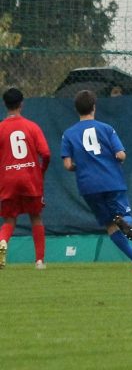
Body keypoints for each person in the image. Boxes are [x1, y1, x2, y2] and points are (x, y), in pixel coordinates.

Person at [61, 90, 132, 268]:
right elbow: (121, 155)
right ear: (94, 107)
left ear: (77, 110)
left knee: (109, 224)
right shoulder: (106, 128)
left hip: (88, 185)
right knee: (124, 214)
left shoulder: (68, 134)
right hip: (111, 179)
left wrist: (81, 165)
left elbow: (68, 165)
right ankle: (125, 222)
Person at [0, 88, 50, 270]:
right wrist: (40, 171)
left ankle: (2, 242)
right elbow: (45, 153)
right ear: (22, 104)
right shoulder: (32, 126)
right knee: (36, 217)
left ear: (5, 105)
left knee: (9, 219)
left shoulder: (1, 128)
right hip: (30, 178)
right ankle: (39, 261)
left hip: (8, 180)